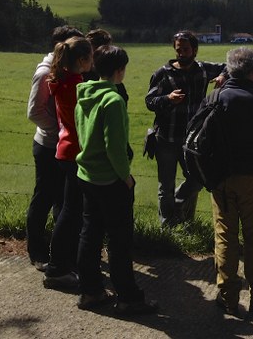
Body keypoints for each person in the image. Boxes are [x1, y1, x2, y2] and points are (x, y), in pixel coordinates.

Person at [75, 45, 158, 315]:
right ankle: (128, 298)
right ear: (120, 70)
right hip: (110, 180)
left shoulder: (83, 94)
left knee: (90, 234)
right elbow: (115, 147)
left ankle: (91, 291)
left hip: (86, 174)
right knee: (120, 241)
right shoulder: (113, 101)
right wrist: (126, 177)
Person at [208, 47, 253, 317]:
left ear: (229, 70)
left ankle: (228, 297)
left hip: (221, 178)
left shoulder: (216, 97)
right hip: (252, 174)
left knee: (225, 235)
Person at [145, 30, 227, 226]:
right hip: (166, 137)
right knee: (165, 185)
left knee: (198, 179)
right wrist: (167, 99)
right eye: (178, 49)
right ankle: (168, 227)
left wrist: (223, 76)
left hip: (193, 139)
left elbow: (228, 66)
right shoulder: (163, 74)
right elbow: (149, 101)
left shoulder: (203, 69)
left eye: (186, 49)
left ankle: (175, 207)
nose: (181, 53)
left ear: (195, 50)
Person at [25, 25, 83, 270]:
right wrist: (62, 128)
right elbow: (34, 112)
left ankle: (62, 253)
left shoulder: (65, 70)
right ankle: (37, 251)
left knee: (63, 200)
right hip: (49, 145)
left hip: (63, 146)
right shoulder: (45, 72)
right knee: (44, 198)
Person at [43, 35, 93, 290]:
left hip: (63, 150)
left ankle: (62, 263)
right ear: (83, 60)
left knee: (67, 210)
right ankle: (57, 269)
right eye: (91, 57)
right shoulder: (77, 85)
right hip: (75, 152)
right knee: (71, 213)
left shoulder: (61, 80)